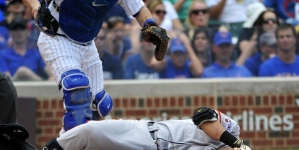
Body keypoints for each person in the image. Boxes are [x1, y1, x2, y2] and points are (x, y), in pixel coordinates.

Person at [22, 0, 169, 132]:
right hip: (58, 37)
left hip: (88, 46)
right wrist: (36, 7)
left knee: (100, 105)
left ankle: (64, 143)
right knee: (76, 89)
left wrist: (150, 25)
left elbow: (139, 9)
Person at [42, 107, 251, 150]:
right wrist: (235, 143)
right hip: (145, 133)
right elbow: (202, 115)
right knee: (90, 132)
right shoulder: (232, 131)